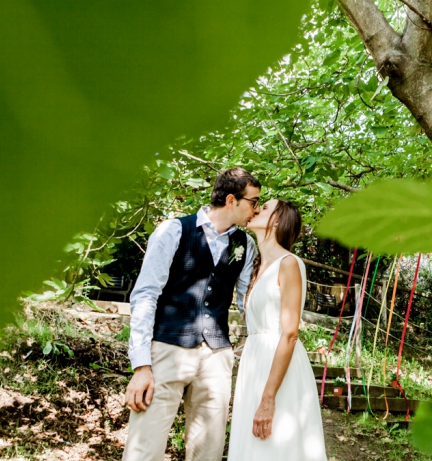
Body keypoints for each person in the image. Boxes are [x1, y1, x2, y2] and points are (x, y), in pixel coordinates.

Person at [123, 167, 262, 461]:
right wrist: (141, 365)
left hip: (216, 356)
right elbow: (145, 295)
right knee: (144, 448)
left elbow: (246, 301)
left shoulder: (246, 245)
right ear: (231, 200)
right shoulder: (173, 230)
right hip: (167, 348)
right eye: (253, 201)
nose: (257, 209)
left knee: (208, 452)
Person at [228, 199, 327, 461]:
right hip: (254, 366)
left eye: (265, 207)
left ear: (277, 221)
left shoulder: (289, 263)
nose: (257, 209)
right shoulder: (256, 268)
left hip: (278, 369)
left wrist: (268, 397)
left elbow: (290, 333)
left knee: (276, 448)